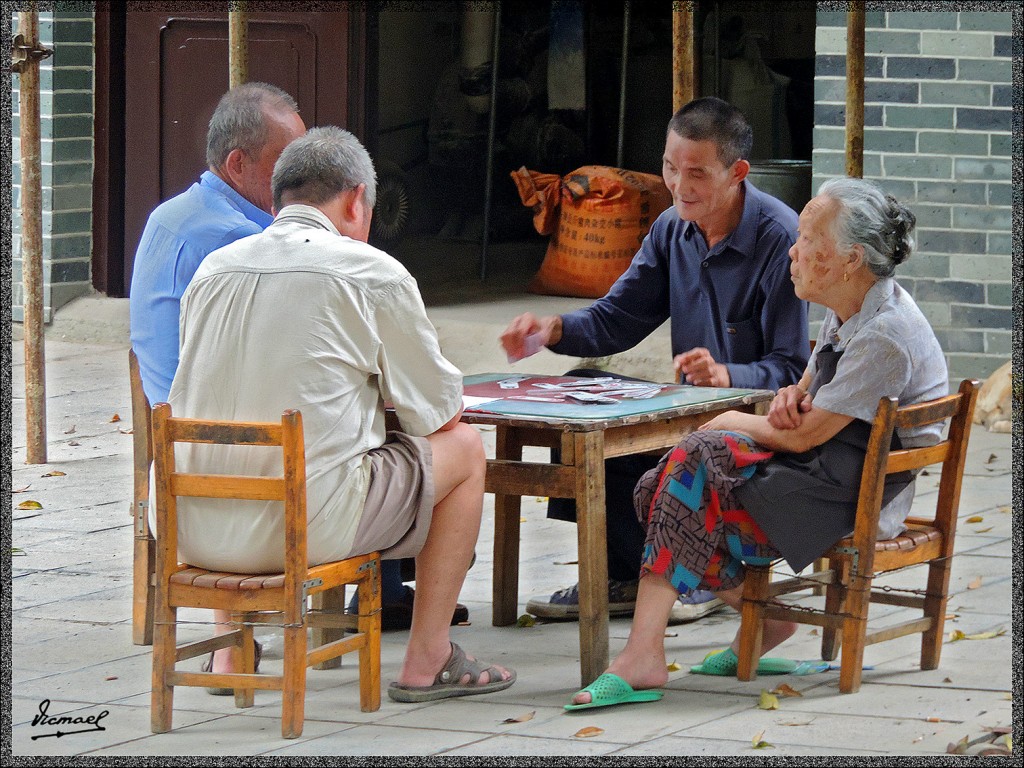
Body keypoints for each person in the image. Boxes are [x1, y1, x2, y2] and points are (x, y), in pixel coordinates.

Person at [567, 177, 948, 709]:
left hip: (854, 494)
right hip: (824, 469)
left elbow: (807, 436)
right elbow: (806, 404)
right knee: (666, 482)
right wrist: (791, 396)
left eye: (808, 238)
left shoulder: (885, 333)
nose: (792, 250)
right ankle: (764, 622)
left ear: (849, 259)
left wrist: (731, 419)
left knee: (693, 466)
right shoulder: (851, 310)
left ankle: (644, 654)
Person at [163, 126, 515, 702]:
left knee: (259, 441)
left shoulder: (213, 270)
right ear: (357, 200)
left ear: (277, 201)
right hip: (301, 526)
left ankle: (231, 648)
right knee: (468, 451)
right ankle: (428, 656)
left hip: (190, 526)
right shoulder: (370, 271)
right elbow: (440, 415)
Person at [128, 82, 443, 635]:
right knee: (395, 429)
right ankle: (414, 630)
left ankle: (235, 642)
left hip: (178, 466)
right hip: (258, 452)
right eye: (287, 162)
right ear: (238, 163)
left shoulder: (171, 217)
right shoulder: (244, 240)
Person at [500, 97, 808, 623]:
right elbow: (618, 317)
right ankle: (624, 574)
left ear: (738, 173)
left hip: (751, 428)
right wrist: (553, 329)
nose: (679, 185)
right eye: (670, 166)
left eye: (696, 173)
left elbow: (793, 369)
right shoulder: (672, 228)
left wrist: (727, 375)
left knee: (668, 447)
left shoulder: (780, 237)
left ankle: (698, 576)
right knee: (584, 395)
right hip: (687, 412)